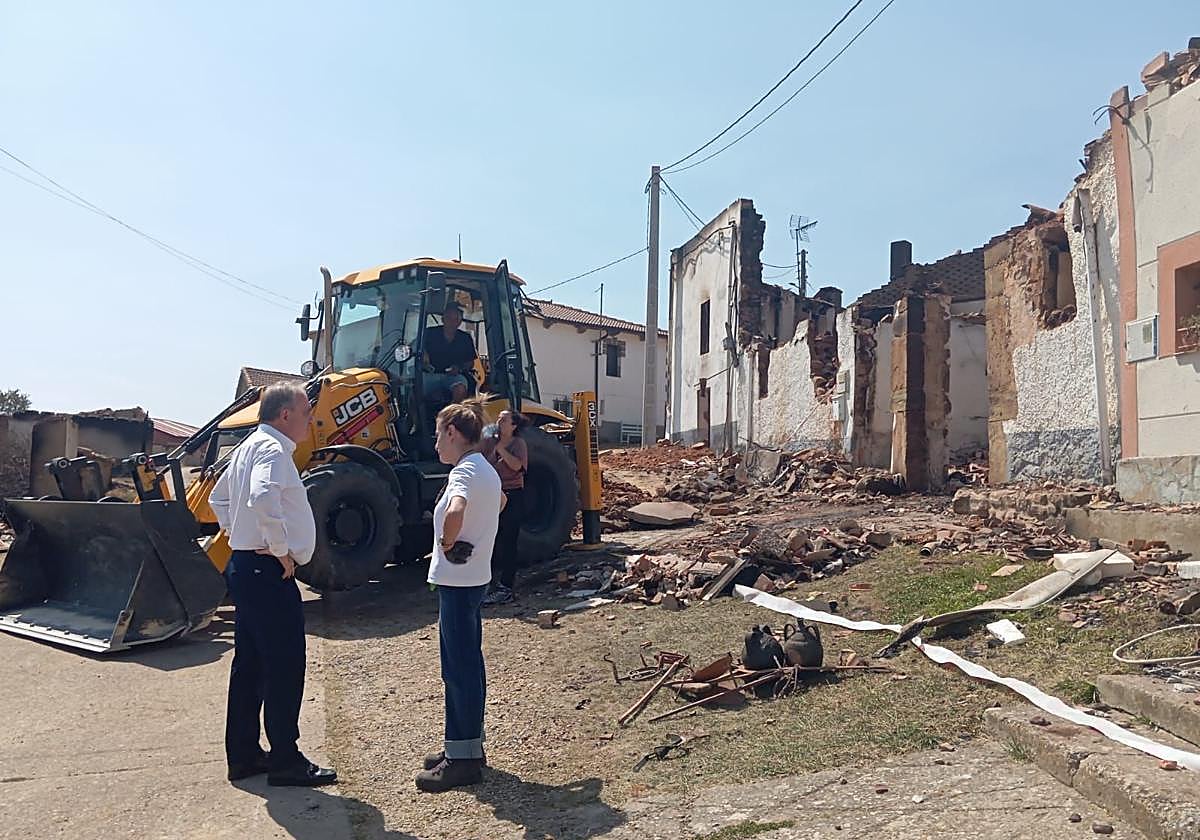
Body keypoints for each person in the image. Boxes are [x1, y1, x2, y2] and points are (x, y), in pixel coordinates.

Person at [209, 382, 337, 788]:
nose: (310, 420)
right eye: (305, 413)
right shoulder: (275, 450)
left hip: (246, 569)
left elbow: (218, 498)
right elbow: (263, 496)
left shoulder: (249, 446)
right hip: (267, 574)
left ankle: (244, 755)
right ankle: (285, 759)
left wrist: (238, 536)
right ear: (285, 415)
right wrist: (280, 549)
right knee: (284, 667)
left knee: (250, 665)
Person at [416, 396, 503, 793]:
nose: (436, 445)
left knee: (458, 670)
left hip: (457, 582)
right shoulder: (486, 469)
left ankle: (463, 759)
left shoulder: (464, 473)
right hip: (473, 579)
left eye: (438, 436)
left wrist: (448, 543)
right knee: (467, 665)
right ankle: (465, 745)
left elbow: (455, 511)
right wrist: (479, 538)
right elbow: (499, 502)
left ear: (453, 433)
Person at [480, 409, 528, 605]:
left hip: (512, 495)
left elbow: (517, 466)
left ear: (513, 426)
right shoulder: (489, 443)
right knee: (491, 540)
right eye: (498, 417)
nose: (499, 421)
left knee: (509, 541)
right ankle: (488, 584)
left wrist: (500, 448)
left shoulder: (518, 444)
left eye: (504, 419)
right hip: (493, 495)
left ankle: (506, 587)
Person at [422, 302, 477, 404]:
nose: (452, 322)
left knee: (460, 389)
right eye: (449, 318)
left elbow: (470, 362)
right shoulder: (429, 333)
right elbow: (415, 348)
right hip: (430, 375)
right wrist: (424, 357)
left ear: (460, 322)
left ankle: (452, 416)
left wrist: (459, 368)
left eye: (456, 319)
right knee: (412, 389)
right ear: (443, 319)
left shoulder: (465, 338)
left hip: (453, 377)